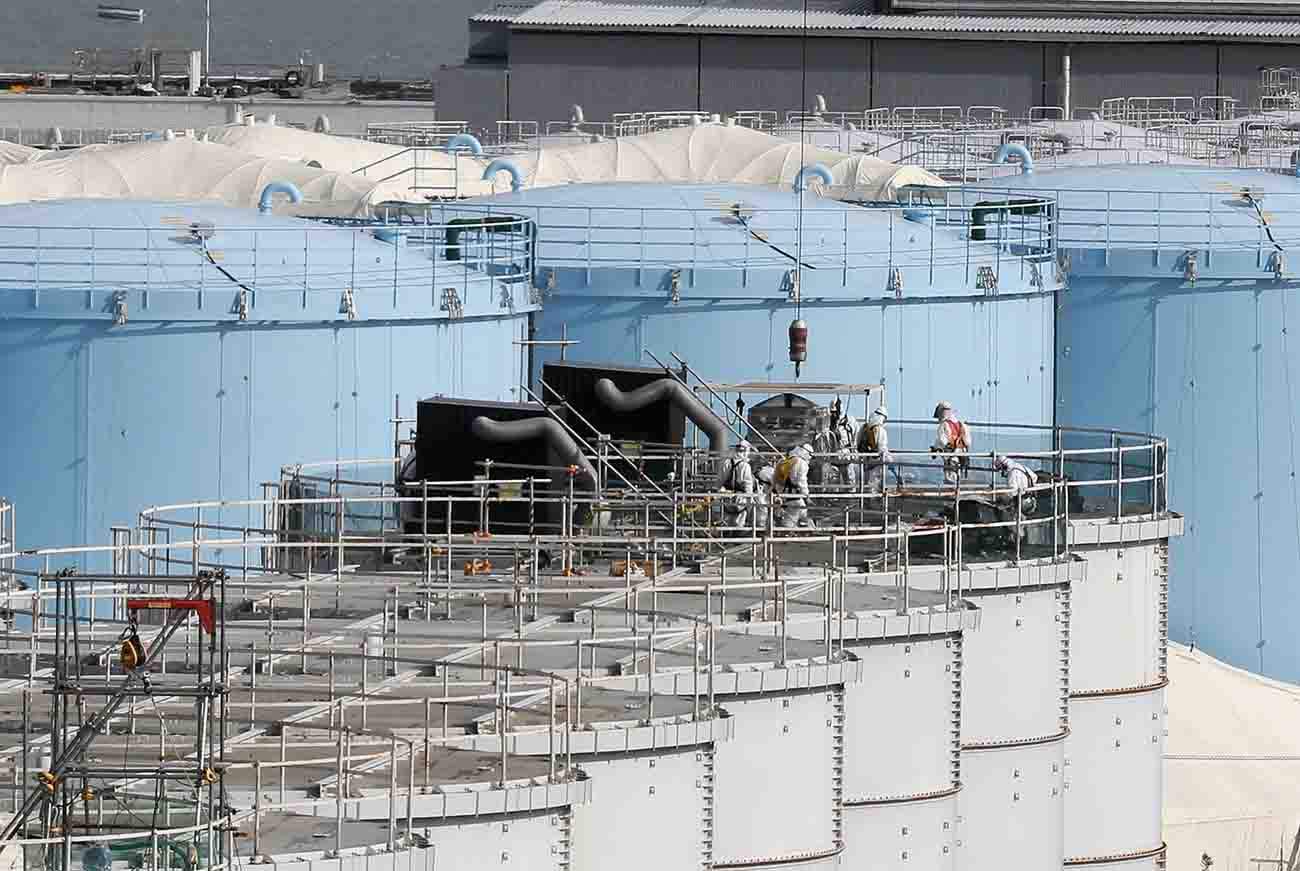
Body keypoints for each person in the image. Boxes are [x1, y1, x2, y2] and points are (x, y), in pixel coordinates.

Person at [773, 443, 814, 527]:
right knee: (790, 521)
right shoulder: (801, 462)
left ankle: (808, 531)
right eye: (810, 455)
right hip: (794, 496)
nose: (810, 458)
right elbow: (801, 481)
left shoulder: (784, 461)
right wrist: (807, 495)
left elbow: (775, 478)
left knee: (804, 515)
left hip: (782, 494)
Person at [931, 400, 971, 485]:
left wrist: (935, 449)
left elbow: (942, 441)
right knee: (958, 475)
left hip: (951, 454)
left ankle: (952, 494)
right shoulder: (961, 424)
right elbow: (968, 442)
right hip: (962, 453)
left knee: (950, 477)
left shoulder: (944, 425)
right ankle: (957, 492)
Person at [717, 441, 755, 528]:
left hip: (726, 496)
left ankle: (726, 540)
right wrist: (750, 499)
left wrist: (719, 493)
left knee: (727, 522)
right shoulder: (745, 466)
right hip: (740, 498)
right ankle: (737, 539)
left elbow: (720, 480)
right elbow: (747, 484)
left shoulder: (726, 463)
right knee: (739, 523)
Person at [858, 405, 893, 492]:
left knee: (866, 483)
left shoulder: (864, 427)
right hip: (876, 461)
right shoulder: (881, 430)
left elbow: (858, 442)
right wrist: (890, 460)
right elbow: (882, 448)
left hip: (865, 460)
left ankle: (865, 502)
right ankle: (871, 503)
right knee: (874, 483)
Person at [994, 454, 1038, 519]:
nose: (1001, 472)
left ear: (1004, 466)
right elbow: (1034, 477)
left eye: (1001, 469)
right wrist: (1027, 487)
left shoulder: (1011, 474)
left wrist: (1002, 499)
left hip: (1021, 503)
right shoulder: (1020, 466)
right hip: (1031, 500)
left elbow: (1012, 492)